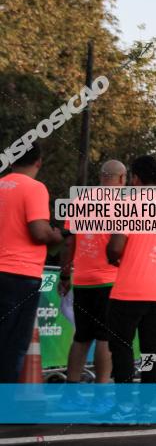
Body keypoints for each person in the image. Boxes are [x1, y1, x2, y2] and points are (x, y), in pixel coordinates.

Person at [106, 155, 156, 422]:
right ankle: (145, 407)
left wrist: (113, 256)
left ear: (136, 179)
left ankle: (124, 404)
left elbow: (115, 247)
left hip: (129, 289)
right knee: (151, 349)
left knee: (122, 347)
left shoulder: (129, 204)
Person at [58, 159, 127, 413]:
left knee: (81, 336)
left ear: (101, 176)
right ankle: (101, 395)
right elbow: (120, 246)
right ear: (121, 179)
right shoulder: (123, 204)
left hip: (83, 278)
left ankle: (70, 393)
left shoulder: (80, 201)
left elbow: (69, 243)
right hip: (109, 278)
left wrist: (65, 275)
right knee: (105, 337)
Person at [0, 143, 63, 382]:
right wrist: (56, 235)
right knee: (14, 345)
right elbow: (39, 232)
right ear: (39, 161)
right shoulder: (34, 188)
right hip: (21, 274)